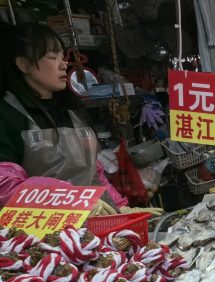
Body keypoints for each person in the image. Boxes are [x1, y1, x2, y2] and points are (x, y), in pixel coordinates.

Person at [0, 23, 128, 210]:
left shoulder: (70, 109)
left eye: (62, 57)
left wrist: (120, 206)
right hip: (44, 233)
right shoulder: (7, 114)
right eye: (53, 57)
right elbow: (5, 186)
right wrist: (74, 202)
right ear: (24, 64)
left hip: (95, 224)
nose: (63, 65)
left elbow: (94, 173)